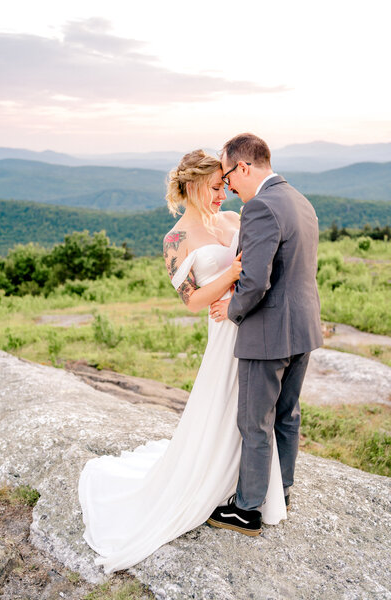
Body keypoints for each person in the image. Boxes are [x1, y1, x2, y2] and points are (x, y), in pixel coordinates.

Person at [78, 149, 287, 574]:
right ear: (192, 186)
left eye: (225, 187)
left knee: (254, 411)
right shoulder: (175, 239)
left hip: (251, 323)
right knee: (224, 408)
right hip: (222, 332)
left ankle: (248, 488)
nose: (222, 196)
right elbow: (192, 299)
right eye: (214, 188)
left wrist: (240, 287)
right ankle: (217, 482)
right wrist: (230, 277)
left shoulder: (233, 221)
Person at [207, 134, 323, 535]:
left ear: (243, 166)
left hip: (268, 332)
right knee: (287, 415)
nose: (227, 186)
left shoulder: (260, 207)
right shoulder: (300, 201)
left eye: (227, 176)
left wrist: (231, 309)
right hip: (303, 329)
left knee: (254, 420)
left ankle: (248, 509)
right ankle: (282, 491)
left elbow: (255, 281)